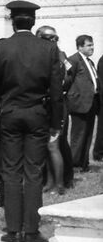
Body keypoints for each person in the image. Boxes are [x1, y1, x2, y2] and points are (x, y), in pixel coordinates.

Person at [0, 0, 63, 242]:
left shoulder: (0, 48)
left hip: (9, 114)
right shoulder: (48, 49)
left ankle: (12, 229)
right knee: (33, 172)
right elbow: (56, 91)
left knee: (10, 171)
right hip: (37, 115)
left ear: (12, 21)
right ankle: (31, 230)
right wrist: (56, 123)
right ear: (34, 22)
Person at [37, 25, 72, 191]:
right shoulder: (44, 54)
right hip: (45, 105)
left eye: (55, 38)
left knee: (53, 145)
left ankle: (59, 184)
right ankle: (50, 181)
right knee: (46, 145)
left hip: (56, 105)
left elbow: (67, 79)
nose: (53, 41)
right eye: (49, 38)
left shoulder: (59, 55)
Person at [66, 35, 98, 172]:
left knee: (88, 134)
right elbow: (67, 81)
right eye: (89, 45)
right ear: (80, 47)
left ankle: (84, 163)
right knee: (78, 136)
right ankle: (74, 165)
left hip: (91, 103)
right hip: (79, 104)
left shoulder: (89, 61)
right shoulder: (73, 60)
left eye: (92, 45)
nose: (92, 48)